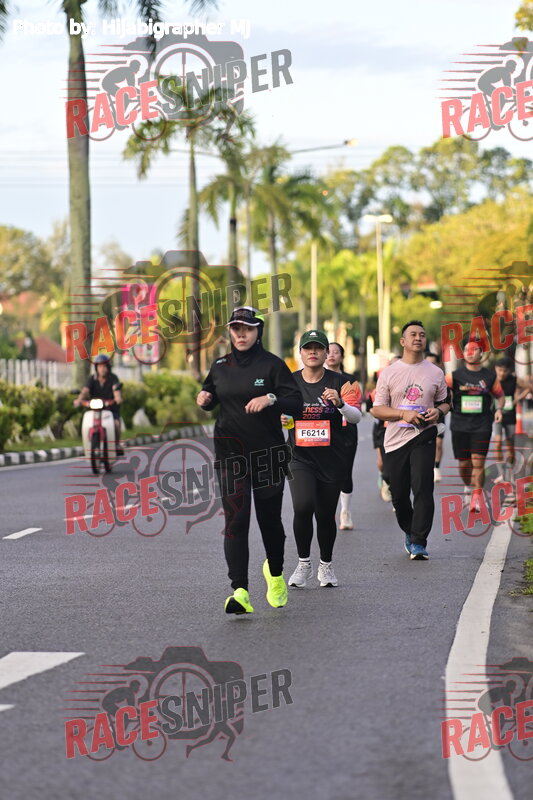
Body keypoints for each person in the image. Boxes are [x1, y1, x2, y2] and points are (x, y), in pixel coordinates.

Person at [197, 306, 303, 615]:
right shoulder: (220, 366)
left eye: (247, 328)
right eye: (236, 328)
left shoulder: (273, 365)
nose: (241, 334)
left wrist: (270, 398)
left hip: (268, 456)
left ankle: (275, 573)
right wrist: (204, 399)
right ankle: (240, 590)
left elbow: (295, 403)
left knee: (269, 521)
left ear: (258, 331)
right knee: (236, 520)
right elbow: (210, 393)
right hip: (230, 456)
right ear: (230, 332)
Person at [283, 330, 361, 588]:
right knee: (303, 506)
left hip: (331, 457)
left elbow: (356, 417)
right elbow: (278, 414)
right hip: (299, 456)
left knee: (325, 515)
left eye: (318, 348)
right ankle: (303, 563)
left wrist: (340, 404)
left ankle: (325, 565)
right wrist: (282, 419)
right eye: (308, 348)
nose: (313, 352)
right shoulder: (289, 382)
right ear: (300, 353)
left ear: (327, 353)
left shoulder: (342, 382)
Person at [370, 320, 450, 560]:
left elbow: (446, 402)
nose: (418, 338)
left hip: (423, 436)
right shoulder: (389, 373)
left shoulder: (435, 372)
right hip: (395, 440)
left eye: (422, 335)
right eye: (413, 334)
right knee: (399, 495)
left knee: (423, 488)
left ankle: (418, 541)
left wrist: (439, 412)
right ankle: (410, 530)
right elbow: (377, 409)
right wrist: (403, 414)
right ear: (403, 341)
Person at [446, 340, 504, 510]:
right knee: (464, 464)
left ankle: (477, 496)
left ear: (481, 353)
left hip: (482, 424)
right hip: (459, 425)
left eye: (474, 349)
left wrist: (499, 409)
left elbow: (500, 396)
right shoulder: (454, 376)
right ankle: (469, 486)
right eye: (466, 350)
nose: (470, 352)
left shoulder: (490, 376)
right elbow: (439, 392)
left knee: (478, 463)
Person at [325, 342, 363, 530]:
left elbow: (356, 407)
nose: (331, 355)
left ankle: (345, 511)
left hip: (347, 431)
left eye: (336, 352)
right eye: (329, 352)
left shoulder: (350, 381)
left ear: (342, 356)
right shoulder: (317, 378)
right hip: (324, 431)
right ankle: (327, 511)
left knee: (345, 472)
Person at [74, 353, 124, 455]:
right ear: (96, 368)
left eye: (104, 366)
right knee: (86, 423)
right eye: (100, 366)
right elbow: (85, 390)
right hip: (94, 409)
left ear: (108, 367)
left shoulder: (113, 378)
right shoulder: (92, 379)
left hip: (110, 409)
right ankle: (87, 445)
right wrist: (79, 400)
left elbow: (116, 390)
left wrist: (118, 398)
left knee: (116, 424)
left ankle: (117, 444)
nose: (102, 369)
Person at [493, 357, 531, 487]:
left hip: (510, 415)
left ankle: (509, 472)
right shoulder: (492, 379)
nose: (502, 373)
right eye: (499, 370)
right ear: (495, 369)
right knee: (497, 443)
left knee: (510, 447)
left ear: (509, 371)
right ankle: (501, 473)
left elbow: (528, 388)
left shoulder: (514, 379)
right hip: (496, 416)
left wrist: (517, 399)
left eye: (504, 371)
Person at [425, 352, 446, 482]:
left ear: (438, 364)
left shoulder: (442, 379)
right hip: (423, 414)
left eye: (433, 363)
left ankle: (436, 467)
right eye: (427, 363)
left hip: (438, 413)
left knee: (438, 443)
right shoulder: (418, 377)